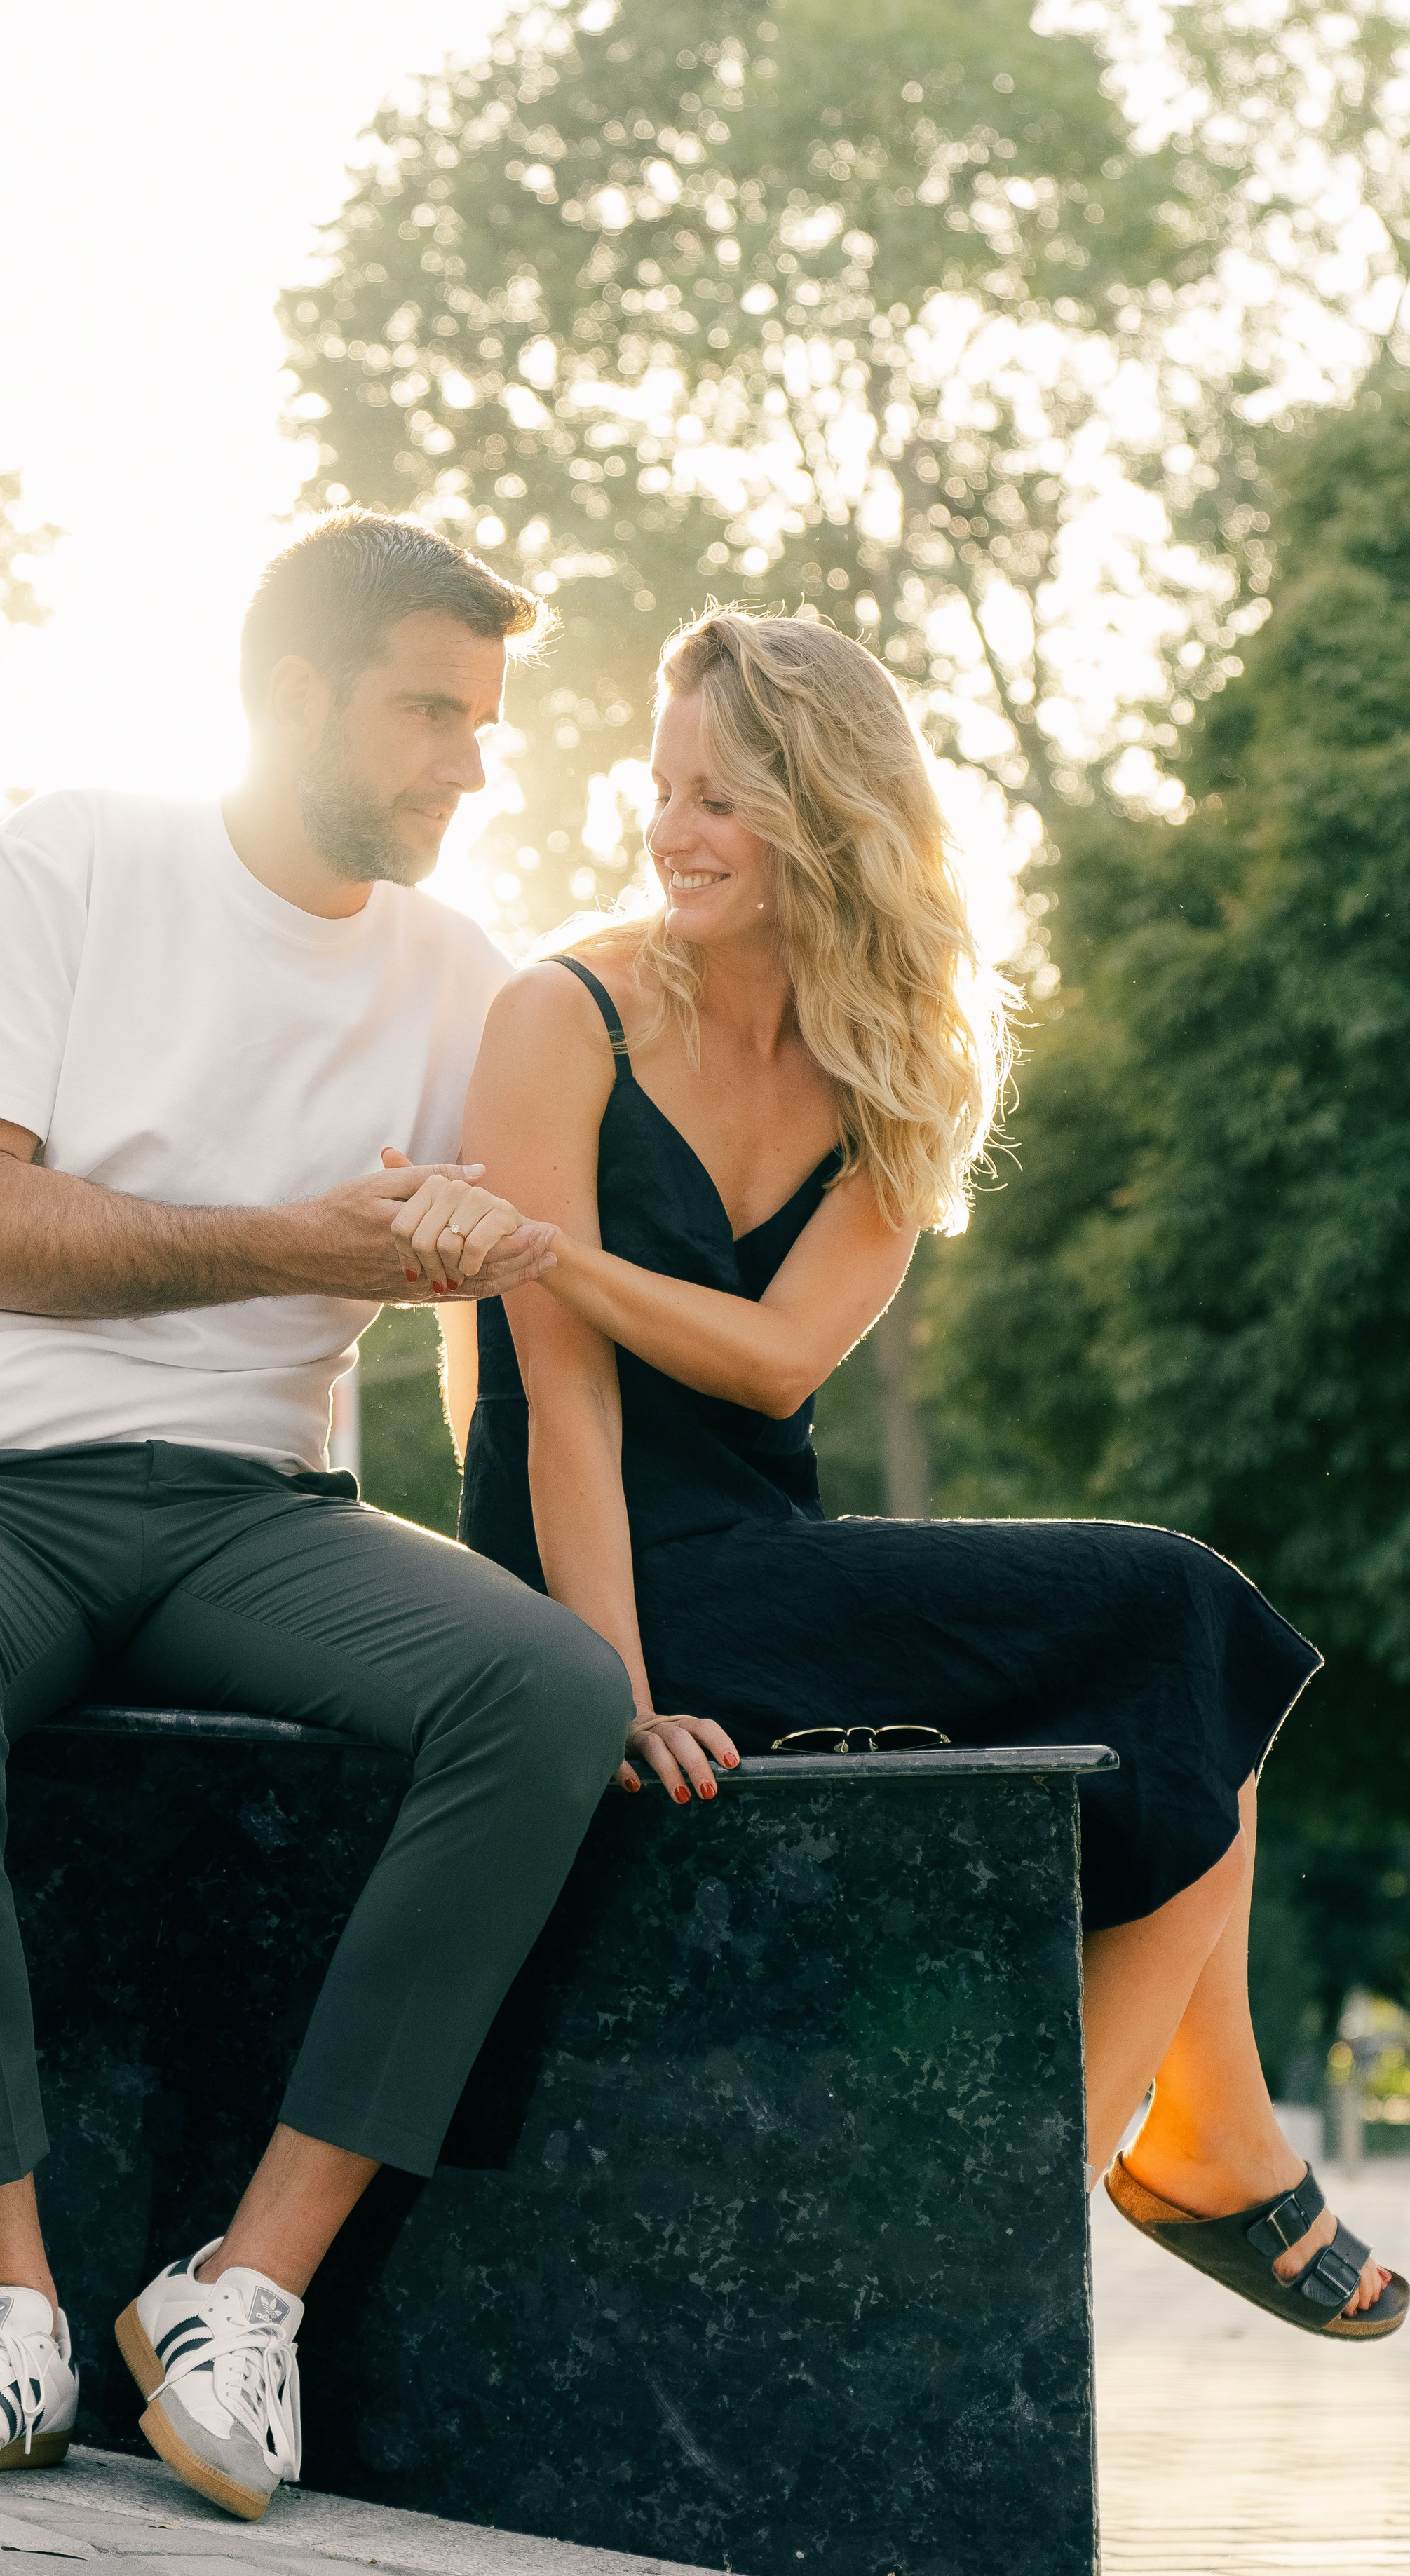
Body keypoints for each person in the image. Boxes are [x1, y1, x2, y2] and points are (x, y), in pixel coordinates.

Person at [0, 510, 630, 2516]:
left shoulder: (462, 976)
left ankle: (244, 2293)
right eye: (430, 710)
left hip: (258, 1515)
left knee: (545, 1687)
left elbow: (525, 1324)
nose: (466, 763)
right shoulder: (70, 856)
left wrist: (629, 1626)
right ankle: (4, 2315)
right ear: (290, 691)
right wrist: (281, 1240)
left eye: (485, 724)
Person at [441, 603, 1405, 2343]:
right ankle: (1134, 2165)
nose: (670, 831)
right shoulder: (557, 1014)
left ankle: (1135, 2150)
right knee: (1187, 1621)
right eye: (659, 788)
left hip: (755, 1556)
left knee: (1201, 1676)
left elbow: (774, 1359)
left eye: (722, 798)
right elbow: (552, 1405)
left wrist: (540, 1247)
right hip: (578, 1564)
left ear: (826, 811)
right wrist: (609, 1688)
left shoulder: (892, 1062)